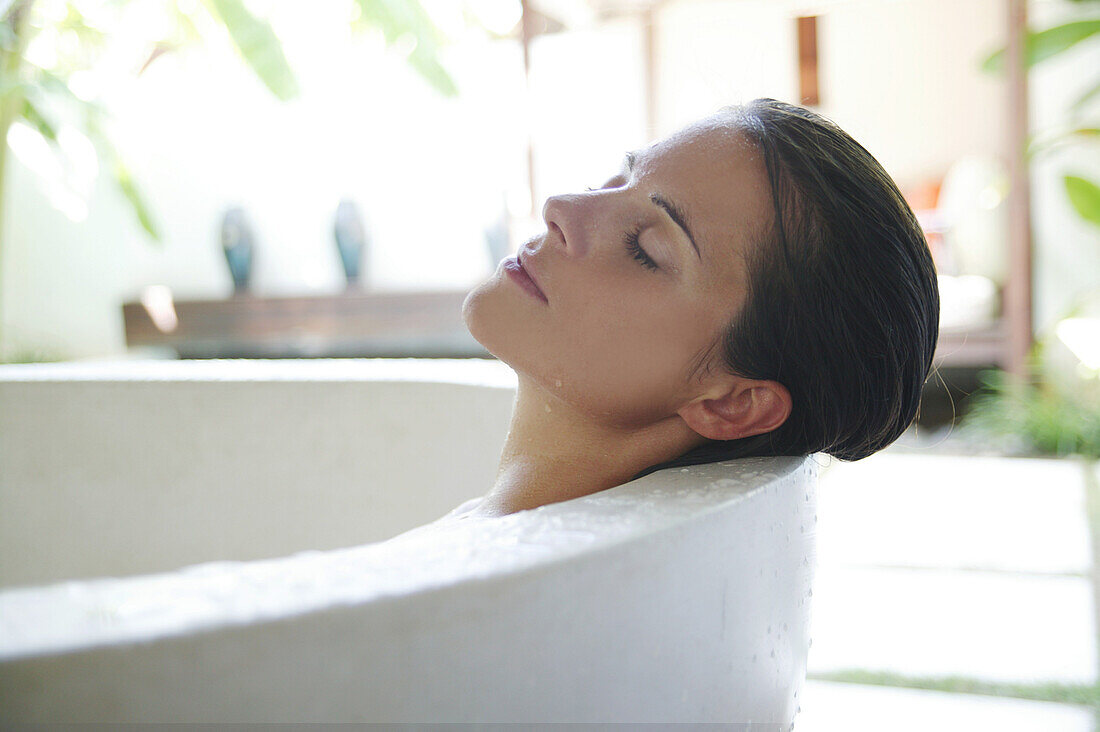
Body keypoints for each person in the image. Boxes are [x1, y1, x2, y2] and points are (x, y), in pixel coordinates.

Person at [459, 98, 940, 518]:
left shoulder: (487, 601)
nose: (560, 207)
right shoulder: (485, 549)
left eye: (645, 250)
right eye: (614, 181)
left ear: (734, 403)